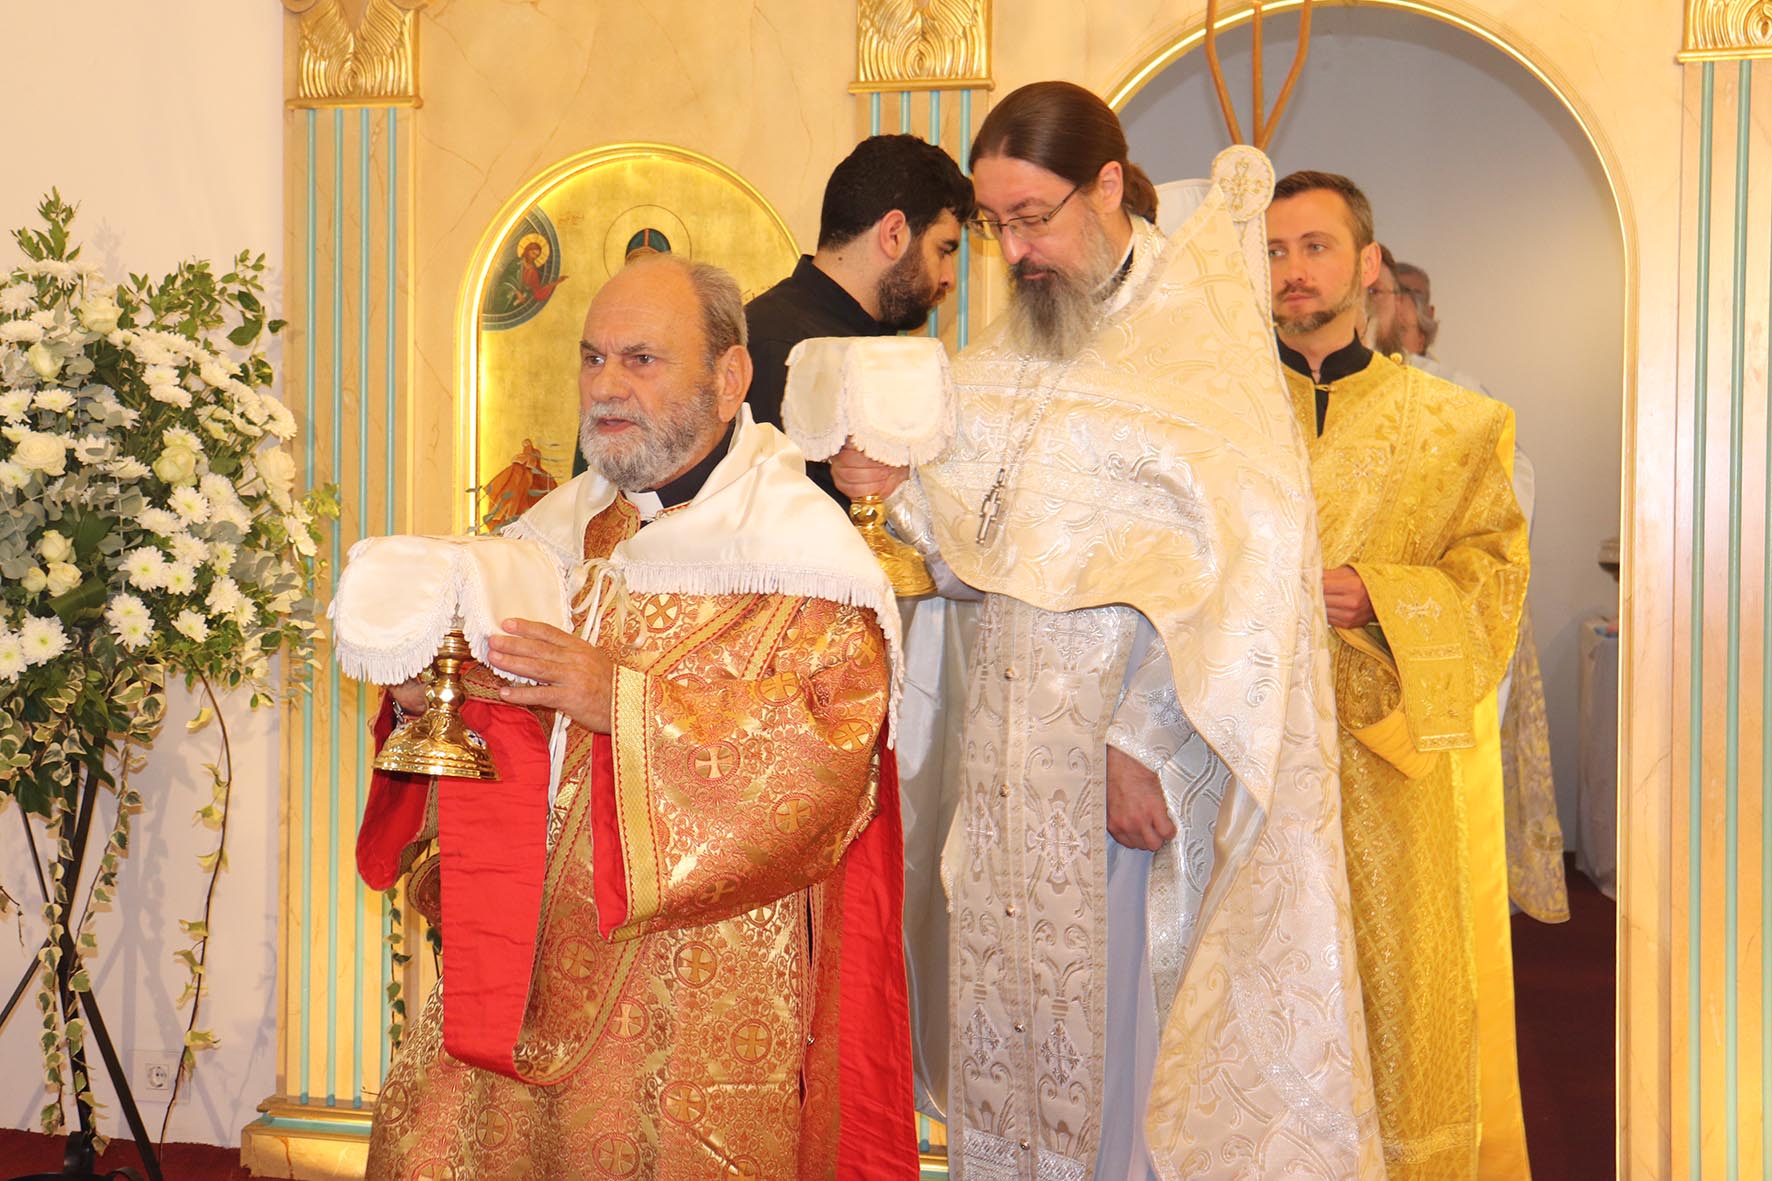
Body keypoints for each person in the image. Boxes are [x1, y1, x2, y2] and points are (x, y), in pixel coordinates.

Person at [836, 82, 1381, 1180]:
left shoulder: (1202, 345)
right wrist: (893, 495)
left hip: (1125, 769)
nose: (1013, 252)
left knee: (1126, 1056)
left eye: (1032, 218)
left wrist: (1148, 738)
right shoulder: (1016, 349)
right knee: (1016, 1048)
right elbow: (982, 552)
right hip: (1008, 777)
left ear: (1107, 186)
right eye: (994, 227)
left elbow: (1251, 569)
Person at [358, 254, 918, 1180]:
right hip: (521, 967)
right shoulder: (551, 535)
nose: (606, 385)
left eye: (641, 360)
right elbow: (501, 716)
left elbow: (826, 763)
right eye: (593, 358)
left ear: (730, 378)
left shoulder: (803, 557)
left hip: (694, 996)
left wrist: (618, 699)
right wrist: (432, 693)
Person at [1267, 169, 1532, 1179]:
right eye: (1274, 250)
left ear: (1368, 264)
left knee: (1398, 1005)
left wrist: (1380, 594)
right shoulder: (1216, 422)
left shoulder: (1459, 425)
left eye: (1316, 246)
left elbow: (1493, 580)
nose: (1293, 270)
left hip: (1391, 774)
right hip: (1248, 767)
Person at [1366, 252, 1567, 923]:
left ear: (1418, 312)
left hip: (1434, 626)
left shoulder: (1457, 394)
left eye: (1398, 293)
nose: (1390, 306)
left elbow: (1507, 502)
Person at [746, 133, 971, 500]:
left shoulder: (873, 344)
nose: (948, 277)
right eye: (943, 250)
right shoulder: (780, 349)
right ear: (893, 234)